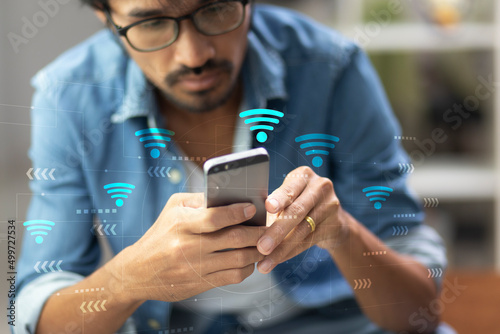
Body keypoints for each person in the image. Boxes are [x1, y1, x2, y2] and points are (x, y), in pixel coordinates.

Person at [14, 0, 454, 333]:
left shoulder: (331, 68)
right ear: (104, 17)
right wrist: (127, 281)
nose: (194, 55)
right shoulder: (68, 95)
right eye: (150, 22)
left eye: (216, 8)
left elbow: (419, 314)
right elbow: (37, 312)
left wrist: (343, 232)